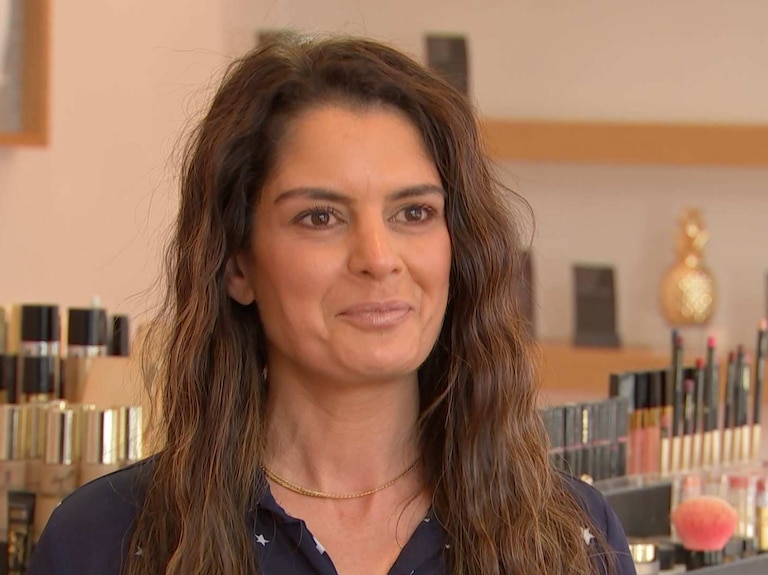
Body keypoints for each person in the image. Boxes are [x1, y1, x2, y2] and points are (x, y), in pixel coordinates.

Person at [28, 34, 636, 575]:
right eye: (320, 217)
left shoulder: (569, 538)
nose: (378, 257)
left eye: (413, 213)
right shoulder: (103, 542)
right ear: (237, 264)